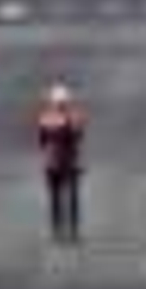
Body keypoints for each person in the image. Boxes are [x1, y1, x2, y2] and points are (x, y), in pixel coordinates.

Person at [36, 82, 86, 243]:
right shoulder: (74, 116)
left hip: (53, 161)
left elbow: (41, 141)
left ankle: (58, 230)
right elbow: (79, 137)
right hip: (68, 159)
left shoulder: (45, 118)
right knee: (72, 196)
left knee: (55, 197)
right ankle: (73, 230)